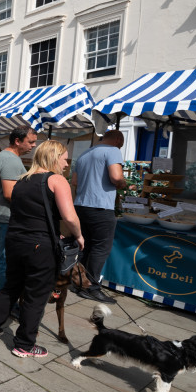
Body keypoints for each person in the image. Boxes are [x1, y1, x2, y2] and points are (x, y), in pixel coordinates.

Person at [0, 140, 84, 358]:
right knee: (36, 295)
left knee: (11, 286)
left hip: (16, 240)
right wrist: (79, 235)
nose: (67, 164)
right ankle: (24, 344)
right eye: (64, 159)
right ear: (54, 157)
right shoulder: (57, 180)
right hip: (39, 246)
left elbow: (29, 213)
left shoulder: (22, 180)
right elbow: (69, 216)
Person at [0, 126, 38, 304]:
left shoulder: (5, 157)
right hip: (4, 217)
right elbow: (10, 193)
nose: (34, 146)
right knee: (5, 262)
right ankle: (6, 302)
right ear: (17, 141)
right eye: (31, 141)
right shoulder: (11, 160)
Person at [71, 130, 127, 304]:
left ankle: (78, 282)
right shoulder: (113, 151)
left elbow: (75, 181)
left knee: (84, 246)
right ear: (118, 139)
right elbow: (116, 177)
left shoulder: (85, 153)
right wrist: (125, 184)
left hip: (81, 205)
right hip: (101, 207)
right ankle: (92, 287)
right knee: (100, 248)